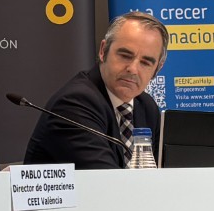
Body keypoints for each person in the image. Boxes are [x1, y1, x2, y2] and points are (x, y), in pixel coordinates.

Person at [23, 10, 167, 168]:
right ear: (103, 50)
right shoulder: (75, 104)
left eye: (145, 63)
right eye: (125, 56)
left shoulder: (146, 106)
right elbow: (104, 178)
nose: (133, 69)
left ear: (157, 69)